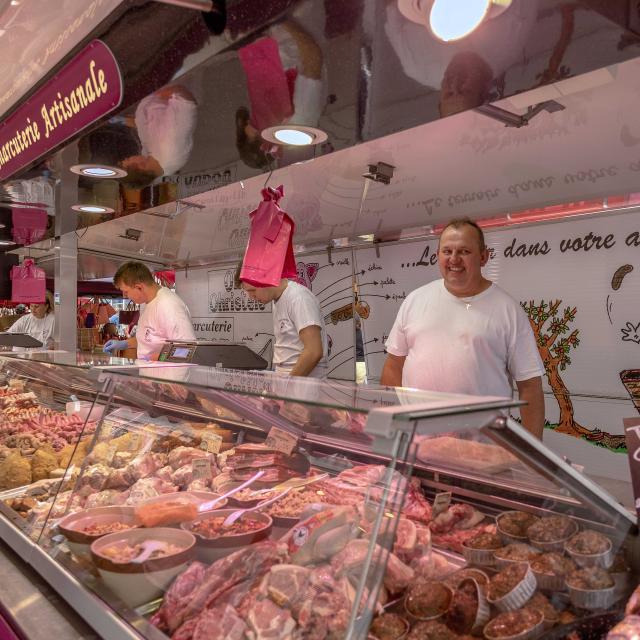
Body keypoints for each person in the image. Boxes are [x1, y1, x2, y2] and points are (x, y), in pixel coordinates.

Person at [380, 218, 545, 439]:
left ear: (484, 257)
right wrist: (390, 427)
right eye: (446, 251)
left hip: (482, 447)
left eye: (464, 251)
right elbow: (393, 366)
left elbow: (530, 387)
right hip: (417, 442)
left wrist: (529, 457)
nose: (454, 259)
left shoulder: (508, 310)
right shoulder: (415, 300)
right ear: (437, 255)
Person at [237, 265, 328, 378]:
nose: (250, 297)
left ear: (267, 279)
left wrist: (288, 383)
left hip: (304, 382)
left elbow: (313, 351)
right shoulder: (278, 300)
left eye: (253, 290)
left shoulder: (299, 298)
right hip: (287, 377)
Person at [104, 262, 195, 360]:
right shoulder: (144, 304)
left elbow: (187, 348)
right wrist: (124, 344)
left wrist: (157, 359)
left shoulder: (169, 305)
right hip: (148, 373)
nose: (124, 296)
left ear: (139, 287)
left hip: (168, 374)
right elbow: (148, 339)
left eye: (126, 292)